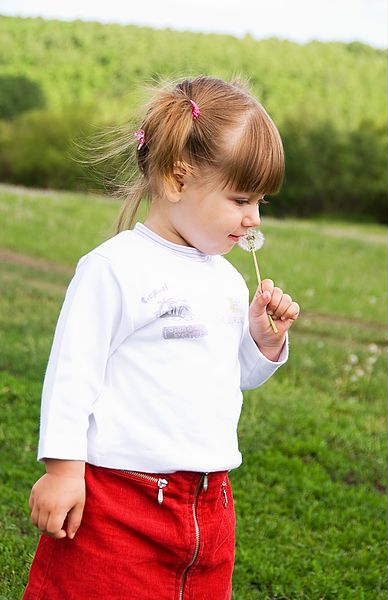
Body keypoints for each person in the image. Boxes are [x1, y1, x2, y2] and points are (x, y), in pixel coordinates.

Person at [23, 74, 300, 600]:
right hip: (120, 502)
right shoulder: (116, 268)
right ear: (177, 179)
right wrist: (62, 471)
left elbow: (229, 375)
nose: (253, 218)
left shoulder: (223, 277)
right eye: (240, 198)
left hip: (208, 503)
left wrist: (261, 344)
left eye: (260, 201)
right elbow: (71, 375)